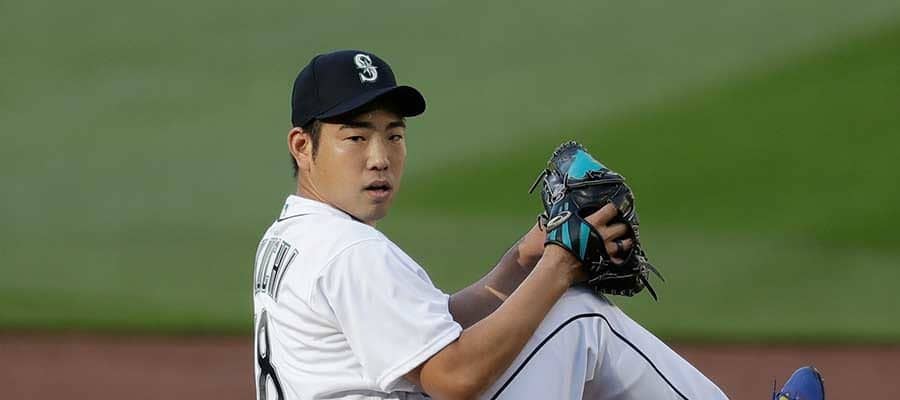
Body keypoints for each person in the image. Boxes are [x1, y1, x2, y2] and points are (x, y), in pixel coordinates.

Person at [251, 49, 818, 400]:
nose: (380, 157)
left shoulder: (292, 236)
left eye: (394, 135)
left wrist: (523, 260)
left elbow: (427, 327)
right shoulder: (351, 252)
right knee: (578, 317)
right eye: (355, 137)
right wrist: (559, 267)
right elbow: (452, 378)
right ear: (303, 146)